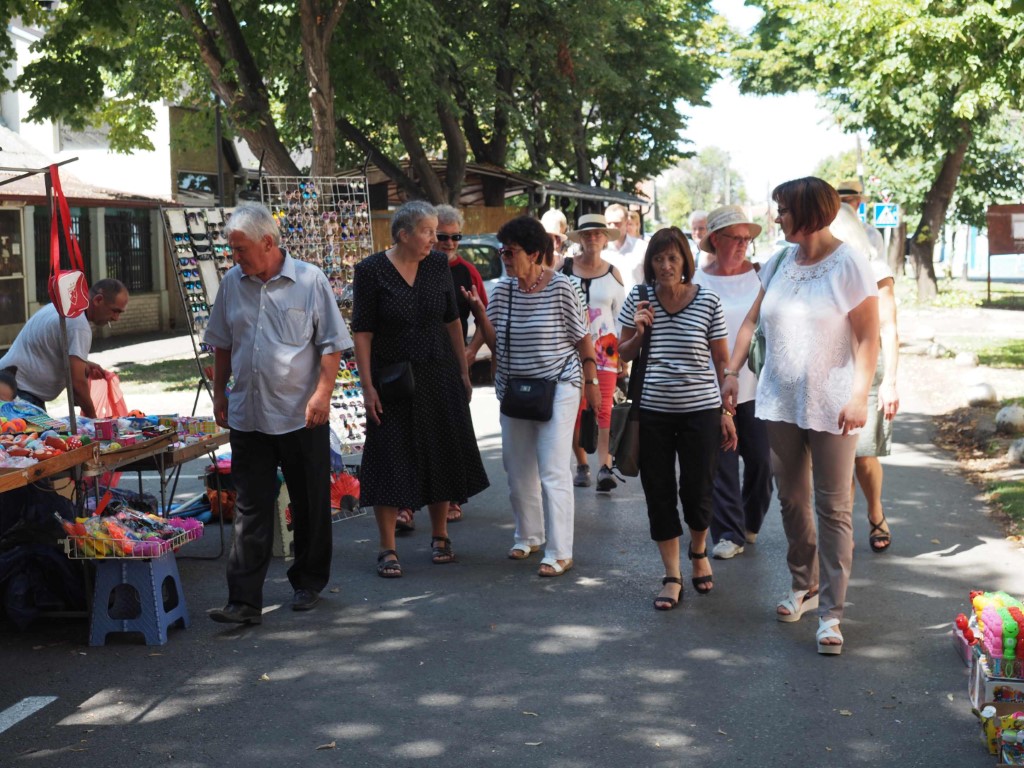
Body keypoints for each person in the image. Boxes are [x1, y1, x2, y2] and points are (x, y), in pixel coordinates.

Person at [722, 177, 879, 654]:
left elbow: (868, 337)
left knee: (834, 507)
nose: (777, 217)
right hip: (779, 400)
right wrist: (732, 371)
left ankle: (832, 613)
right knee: (791, 500)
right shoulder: (778, 262)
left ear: (809, 212)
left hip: (833, 402)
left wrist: (859, 396)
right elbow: (751, 321)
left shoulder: (849, 264)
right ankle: (804, 584)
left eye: (784, 209)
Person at [205, 202, 350, 623]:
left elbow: (331, 344)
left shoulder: (309, 280)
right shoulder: (232, 283)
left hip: (300, 414)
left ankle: (308, 582)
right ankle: (244, 602)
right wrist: (219, 393)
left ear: (267, 242)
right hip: (248, 413)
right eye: (232, 249)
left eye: (240, 249)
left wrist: (322, 394)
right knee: (250, 508)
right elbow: (222, 343)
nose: (234, 257)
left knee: (309, 503)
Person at [352, 200, 489, 579]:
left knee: (440, 450)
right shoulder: (370, 270)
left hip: (438, 371)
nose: (435, 238)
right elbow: (362, 332)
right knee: (389, 455)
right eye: (428, 231)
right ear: (403, 234)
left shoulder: (437, 266)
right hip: (392, 377)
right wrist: (367, 386)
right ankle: (387, 547)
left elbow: (452, 321)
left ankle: (440, 535)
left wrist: (463, 370)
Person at [463, 215, 599, 577]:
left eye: (511, 252)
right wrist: (476, 326)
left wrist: (592, 382)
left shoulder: (562, 288)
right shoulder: (503, 290)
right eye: (502, 251)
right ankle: (529, 535)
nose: (505, 258)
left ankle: (560, 551)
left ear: (535, 254)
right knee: (516, 466)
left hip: (560, 383)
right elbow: (491, 339)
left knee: (552, 468)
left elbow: (582, 337)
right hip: (515, 387)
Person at [618, 227, 737, 611]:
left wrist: (726, 411)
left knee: (699, 489)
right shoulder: (639, 298)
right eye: (658, 258)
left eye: (673, 258)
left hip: (701, 411)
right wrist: (639, 333)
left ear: (685, 260)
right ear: (650, 263)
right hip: (652, 412)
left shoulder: (708, 301)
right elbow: (621, 353)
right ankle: (672, 575)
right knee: (659, 491)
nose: (666, 265)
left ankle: (698, 550)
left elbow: (722, 361)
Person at [694, 205, 773, 560]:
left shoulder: (760, 278)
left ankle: (749, 521)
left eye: (747, 239)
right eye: (736, 238)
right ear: (715, 239)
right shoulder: (697, 281)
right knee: (721, 465)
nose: (743, 245)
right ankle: (728, 532)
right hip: (711, 387)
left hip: (755, 386)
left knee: (761, 463)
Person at [831, 203, 899, 553]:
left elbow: (888, 326)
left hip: (867, 369)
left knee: (863, 454)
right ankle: (843, 528)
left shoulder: (875, 269)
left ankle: (875, 512)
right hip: (830, 371)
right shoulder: (821, 267)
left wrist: (891, 382)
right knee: (837, 457)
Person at [429, 203, 488, 525]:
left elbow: (484, 317)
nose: (449, 243)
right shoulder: (414, 265)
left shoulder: (467, 272)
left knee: (451, 430)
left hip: (451, 361)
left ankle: (453, 496)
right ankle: (406, 504)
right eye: (442, 236)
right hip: (416, 359)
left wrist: (471, 350)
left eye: (456, 237)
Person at [0, 279, 128, 418]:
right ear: (98, 300)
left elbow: (51, 350)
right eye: (115, 311)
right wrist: (94, 420)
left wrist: (85, 365)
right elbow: (77, 384)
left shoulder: (65, 307)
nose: (116, 318)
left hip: (13, 386)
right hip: (14, 393)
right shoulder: (78, 324)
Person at [562, 214, 626, 492]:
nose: (592, 238)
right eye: (587, 234)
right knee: (575, 408)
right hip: (570, 349)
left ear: (605, 239)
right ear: (580, 238)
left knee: (603, 408)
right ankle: (581, 464)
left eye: (598, 234)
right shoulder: (564, 268)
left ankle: (605, 467)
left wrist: (623, 354)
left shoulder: (613, 273)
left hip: (605, 349)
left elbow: (621, 316)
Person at [836, 180, 884, 261]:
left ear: (858, 203)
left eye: (846, 201)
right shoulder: (827, 232)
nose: (841, 205)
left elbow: (879, 264)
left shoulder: (872, 234)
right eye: (838, 201)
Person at [603, 204, 646, 291]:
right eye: (609, 223)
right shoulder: (600, 251)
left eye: (617, 223)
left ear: (626, 222)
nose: (612, 227)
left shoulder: (642, 247)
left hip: (636, 299)